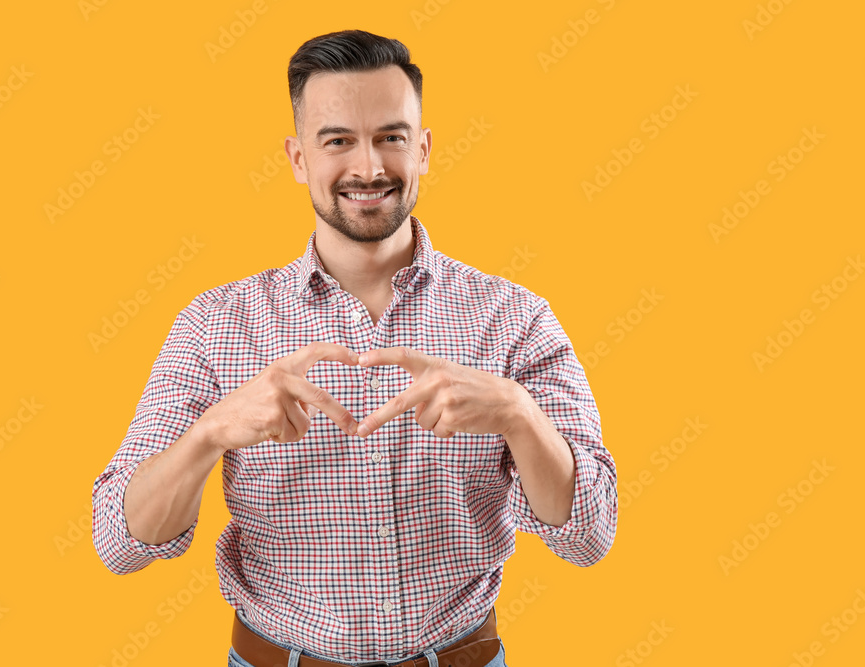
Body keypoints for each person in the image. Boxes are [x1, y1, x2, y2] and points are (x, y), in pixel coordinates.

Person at [92, 29, 617, 667]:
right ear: (297, 158)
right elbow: (120, 542)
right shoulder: (215, 325)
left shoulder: (514, 319)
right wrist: (210, 433)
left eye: (390, 138)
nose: (368, 168)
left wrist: (518, 413)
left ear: (422, 150)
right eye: (337, 140)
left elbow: (591, 535)